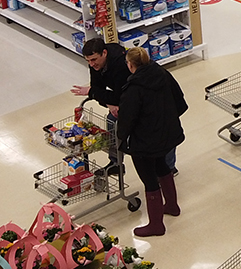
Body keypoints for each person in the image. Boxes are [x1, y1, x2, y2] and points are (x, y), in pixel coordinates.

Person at [71, 38, 179, 175]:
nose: (91, 64)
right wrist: (109, 103)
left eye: (94, 60)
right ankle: (115, 163)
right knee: (112, 121)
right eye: (88, 61)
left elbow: (119, 96)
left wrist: (94, 93)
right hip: (134, 99)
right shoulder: (96, 65)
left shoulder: (121, 65)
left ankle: (169, 167)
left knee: (162, 130)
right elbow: (99, 89)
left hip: (157, 101)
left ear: (104, 53)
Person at [117, 47, 187, 237]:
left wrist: (122, 137)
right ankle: (172, 206)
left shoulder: (134, 88)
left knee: (149, 180)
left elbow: (127, 119)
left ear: (130, 65)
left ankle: (156, 226)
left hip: (144, 142)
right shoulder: (162, 74)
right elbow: (180, 101)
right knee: (163, 167)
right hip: (166, 134)